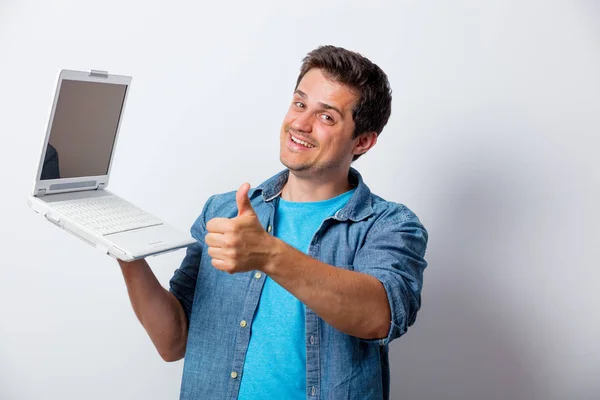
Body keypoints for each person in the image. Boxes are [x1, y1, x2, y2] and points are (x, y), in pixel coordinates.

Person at [118, 45, 428, 400]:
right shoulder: (223, 211)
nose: (300, 123)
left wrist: (267, 254)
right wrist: (127, 254)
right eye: (300, 104)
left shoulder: (389, 225)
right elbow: (172, 343)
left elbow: (379, 317)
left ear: (364, 141)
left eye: (327, 117)